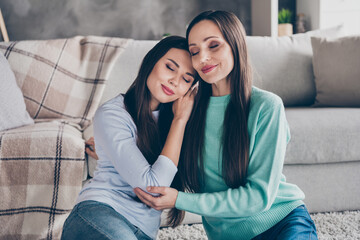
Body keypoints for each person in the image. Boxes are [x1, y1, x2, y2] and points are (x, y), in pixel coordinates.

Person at [133, 10, 318, 240]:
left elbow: (258, 197)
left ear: (235, 45)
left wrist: (179, 199)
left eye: (213, 46)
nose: (202, 59)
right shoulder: (186, 107)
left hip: (282, 222)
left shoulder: (267, 107)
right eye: (194, 51)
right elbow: (158, 154)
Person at [61, 36, 197, 240]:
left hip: (143, 231)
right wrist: (180, 120)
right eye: (170, 67)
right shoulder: (113, 114)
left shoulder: (176, 126)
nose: (175, 81)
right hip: (99, 214)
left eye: (186, 79)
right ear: (151, 62)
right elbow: (153, 189)